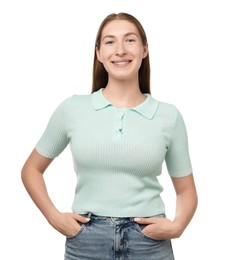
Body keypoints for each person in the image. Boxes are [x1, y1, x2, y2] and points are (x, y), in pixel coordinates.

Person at [21, 12, 198, 260]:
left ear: (145, 49)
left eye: (130, 40)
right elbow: (31, 170)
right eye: (110, 41)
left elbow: (186, 191)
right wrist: (54, 217)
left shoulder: (169, 116)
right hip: (86, 241)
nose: (120, 50)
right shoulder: (73, 109)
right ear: (99, 53)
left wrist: (178, 225)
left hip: (148, 241)